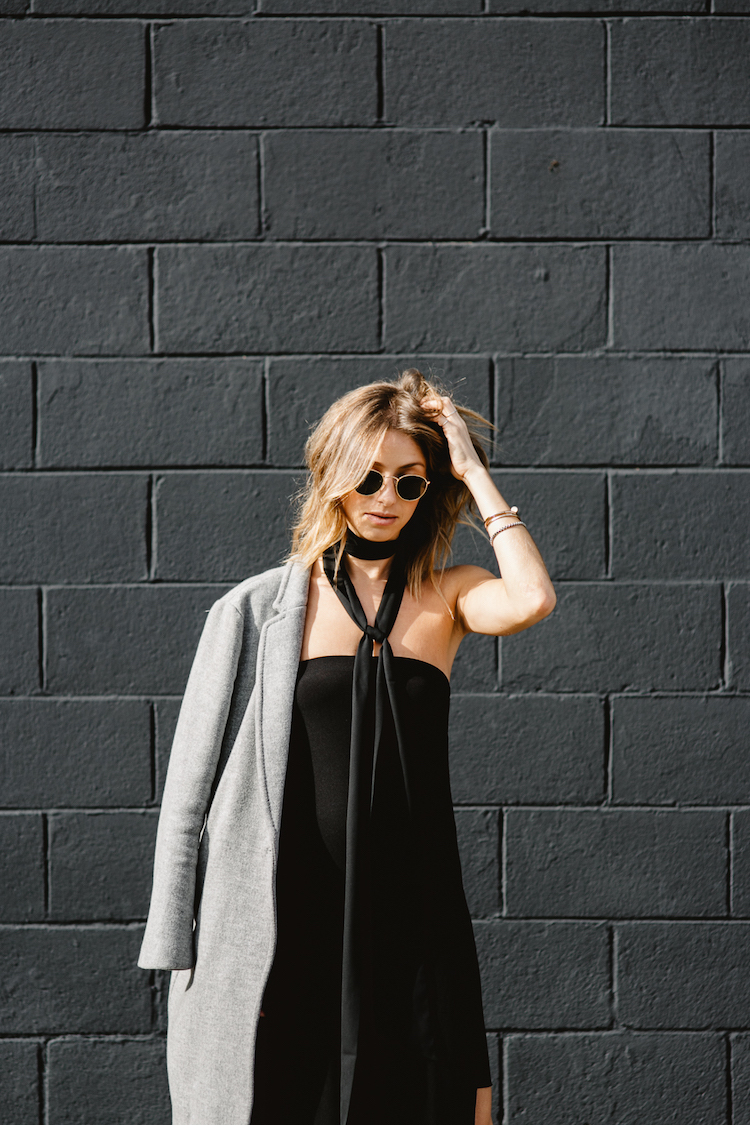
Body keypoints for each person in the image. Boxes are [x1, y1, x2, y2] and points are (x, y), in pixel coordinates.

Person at [138, 369, 556, 1125]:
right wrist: (175, 938)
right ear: (333, 475)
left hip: (417, 913)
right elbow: (187, 789)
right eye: (368, 477)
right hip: (289, 914)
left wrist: (471, 467)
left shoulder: (448, 595)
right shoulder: (261, 608)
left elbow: (532, 597)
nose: (387, 498)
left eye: (409, 481)